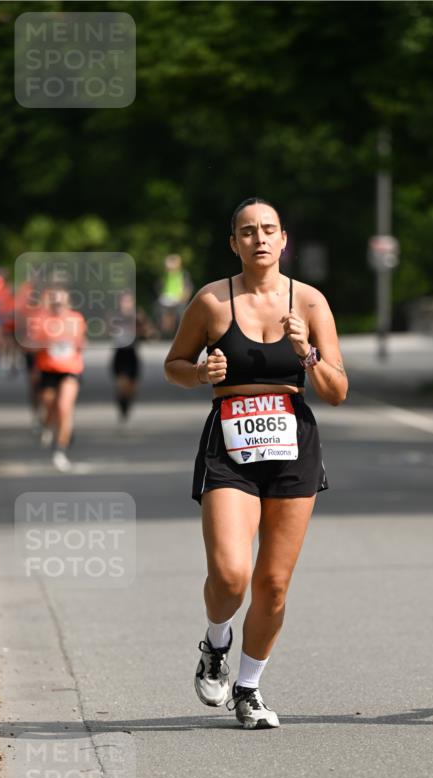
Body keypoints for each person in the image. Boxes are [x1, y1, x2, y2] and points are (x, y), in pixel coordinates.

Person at [164, 197, 348, 729]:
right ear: (234, 243)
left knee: (273, 584)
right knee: (231, 574)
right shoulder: (211, 302)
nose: (259, 239)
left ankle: (249, 688)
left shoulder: (310, 302)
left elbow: (337, 390)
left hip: (293, 444)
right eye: (248, 232)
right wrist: (200, 373)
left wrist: (307, 354)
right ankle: (215, 641)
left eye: (268, 230)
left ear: (283, 239)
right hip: (230, 445)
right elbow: (173, 364)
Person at [27, 285, 87, 471]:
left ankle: (60, 451)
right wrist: (45, 342)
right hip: (48, 369)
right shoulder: (40, 320)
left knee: (64, 407)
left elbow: (81, 342)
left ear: (67, 303)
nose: (58, 306)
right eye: (54, 302)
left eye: (61, 302)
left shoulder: (76, 319)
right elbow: (30, 346)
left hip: (70, 369)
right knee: (49, 405)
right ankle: (46, 425)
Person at [110, 289, 155, 422]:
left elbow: (147, 332)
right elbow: (108, 329)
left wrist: (143, 331)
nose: (126, 304)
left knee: (132, 388)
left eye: (128, 301)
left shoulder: (138, 316)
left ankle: (126, 403)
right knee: (122, 384)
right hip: (120, 354)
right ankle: (121, 403)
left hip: (132, 354)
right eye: (123, 301)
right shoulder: (115, 316)